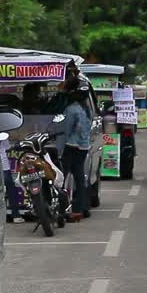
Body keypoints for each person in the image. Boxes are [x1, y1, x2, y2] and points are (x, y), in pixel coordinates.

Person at [55, 78, 92, 222]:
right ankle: (81, 208)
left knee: (61, 177)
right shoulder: (86, 110)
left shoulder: (71, 110)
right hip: (83, 147)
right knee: (79, 177)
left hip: (70, 147)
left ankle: (61, 208)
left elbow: (66, 131)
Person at [0, 135, 24, 223]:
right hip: (4, 167)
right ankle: (16, 216)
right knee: (11, 191)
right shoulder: (1, 134)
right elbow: (8, 148)